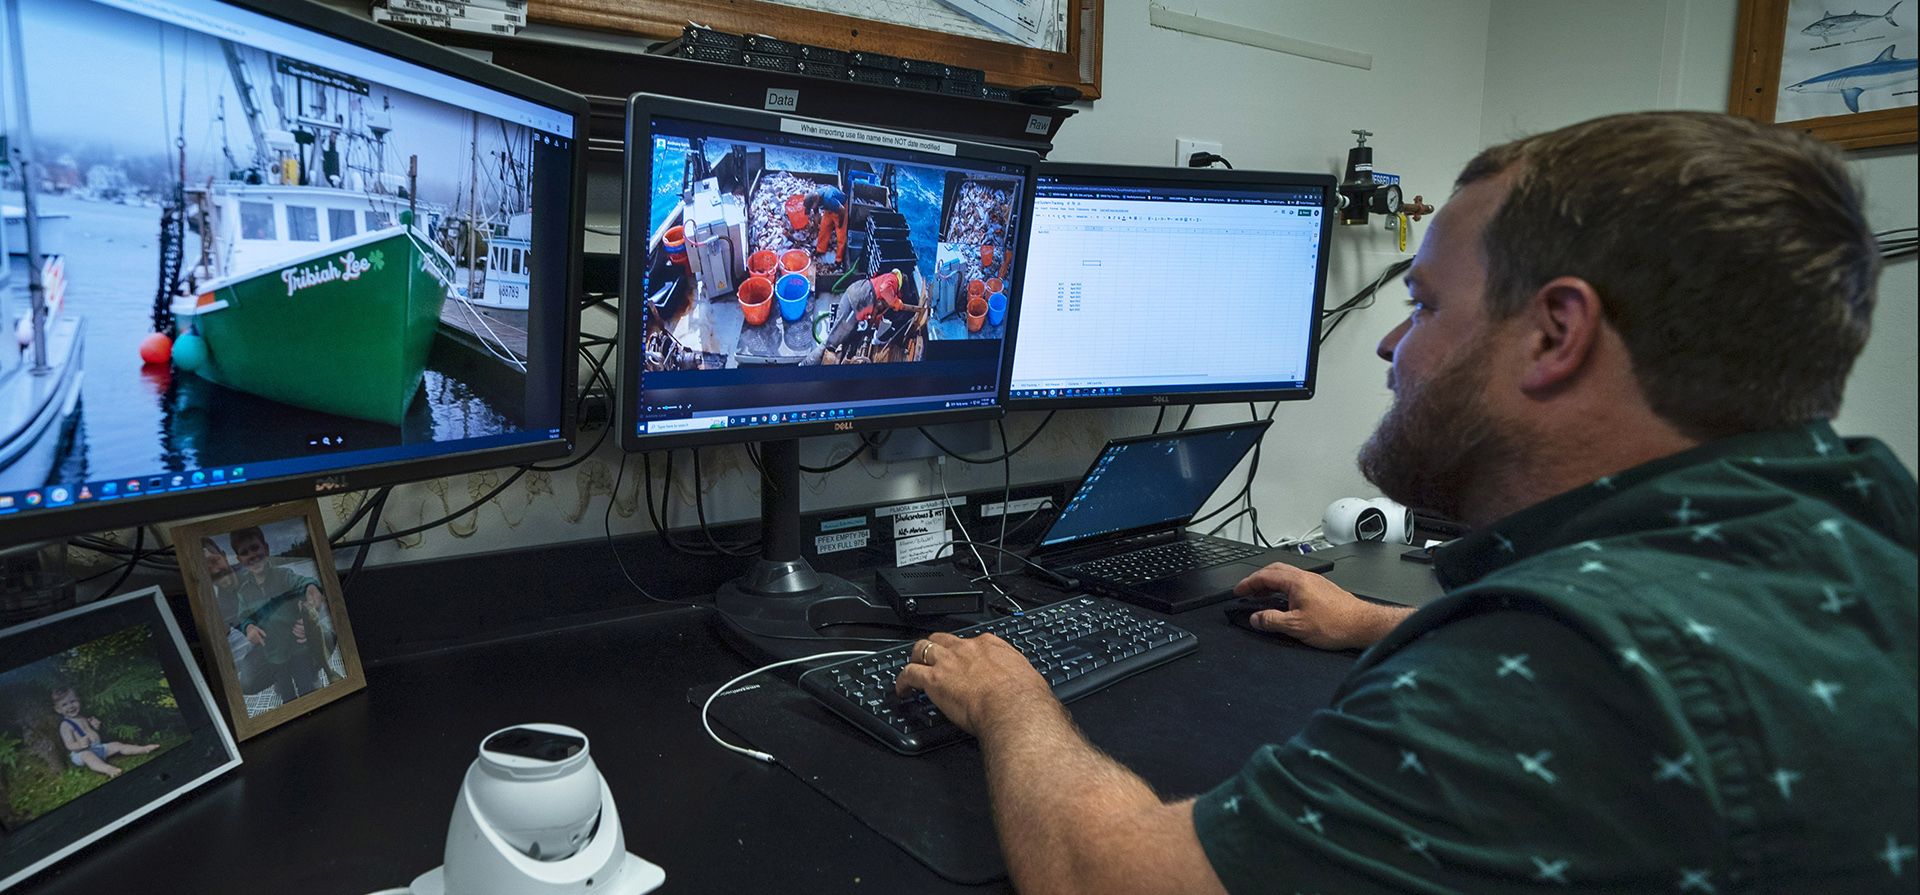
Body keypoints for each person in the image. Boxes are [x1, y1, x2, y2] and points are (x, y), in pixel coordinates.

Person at [893, 111, 1917, 893]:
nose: (1390, 347)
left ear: (1557, 334)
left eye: (1423, 305)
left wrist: (1011, 700)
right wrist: (1387, 620)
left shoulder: (1560, 669)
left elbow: (1108, 876)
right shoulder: (1861, 531)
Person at [228, 526, 327, 704]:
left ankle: (313, 684)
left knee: (308, 690)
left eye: (255, 548)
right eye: (245, 552)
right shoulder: (243, 592)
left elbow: (303, 582)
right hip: (273, 654)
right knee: (287, 696)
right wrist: (249, 628)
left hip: (298, 650)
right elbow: (243, 618)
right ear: (240, 559)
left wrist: (312, 588)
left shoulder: (284, 575)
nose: (252, 555)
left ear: (265, 548)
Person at [803, 268, 914, 365]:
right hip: (854, 302)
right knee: (830, 343)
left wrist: (877, 326)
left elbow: (878, 307)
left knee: (848, 338)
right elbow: (884, 290)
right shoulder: (893, 279)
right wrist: (896, 303)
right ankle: (805, 365)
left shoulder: (888, 294)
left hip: (858, 306)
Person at [52, 686, 160, 779]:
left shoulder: (82, 717)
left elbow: (91, 733)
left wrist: (95, 727)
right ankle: (108, 769)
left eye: (73, 701)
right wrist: (80, 745)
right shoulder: (65, 725)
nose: (70, 706)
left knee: (117, 745)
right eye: (64, 704)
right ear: (58, 710)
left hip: (98, 748)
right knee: (88, 756)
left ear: (79, 701)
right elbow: (69, 745)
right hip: (81, 754)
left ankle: (143, 749)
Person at [803, 185, 848, 265]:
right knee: (824, 228)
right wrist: (816, 227)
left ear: (816, 201)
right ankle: (820, 249)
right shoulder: (814, 197)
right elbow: (816, 214)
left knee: (841, 235)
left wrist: (840, 223)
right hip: (828, 210)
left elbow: (842, 210)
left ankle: (838, 260)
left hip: (840, 210)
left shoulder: (828, 198)